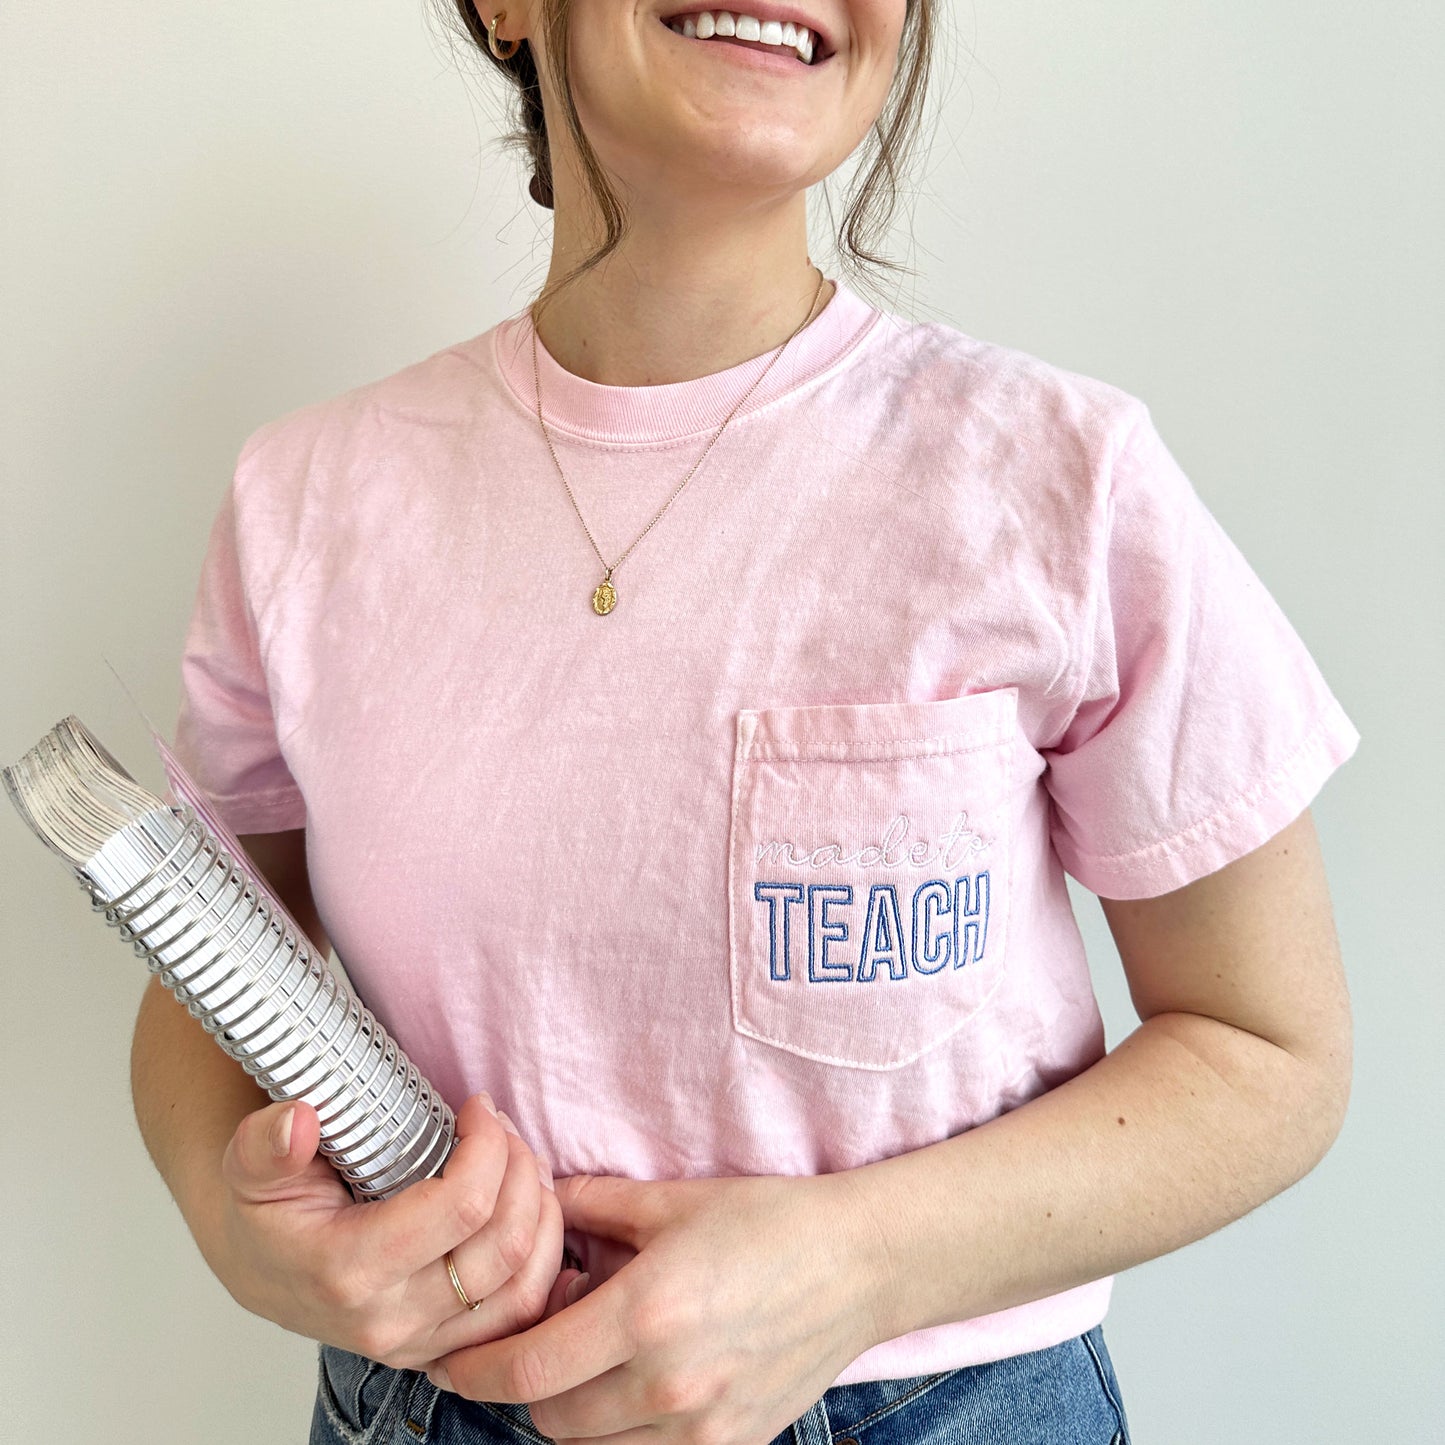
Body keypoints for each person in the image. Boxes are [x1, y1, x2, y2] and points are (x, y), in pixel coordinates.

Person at [130, 3, 1361, 1443]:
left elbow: (1268, 1051)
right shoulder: (305, 502)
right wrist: (237, 1228)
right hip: (427, 1407)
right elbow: (201, 971)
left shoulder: (1059, 482)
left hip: (940, 1404)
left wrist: (855, 1263)